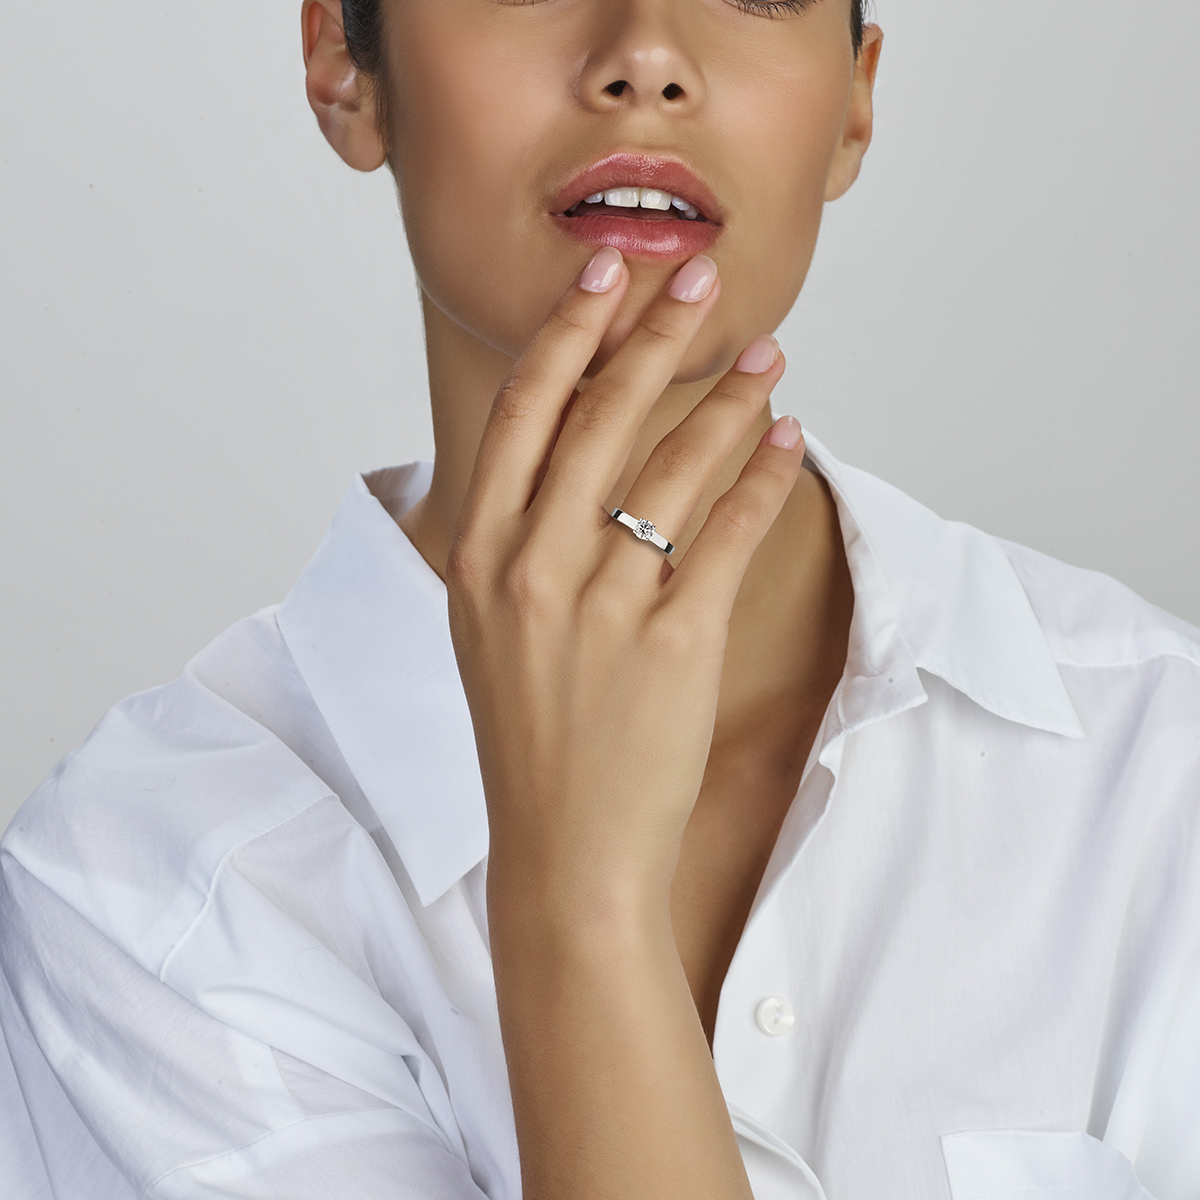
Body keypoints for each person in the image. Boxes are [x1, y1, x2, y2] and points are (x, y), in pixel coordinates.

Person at [1, 1, 1197, 1197]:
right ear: (344, 66)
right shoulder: (138, 892)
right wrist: (584, 907)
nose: (647, 57)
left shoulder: (1162, 761)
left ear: (853, 103)